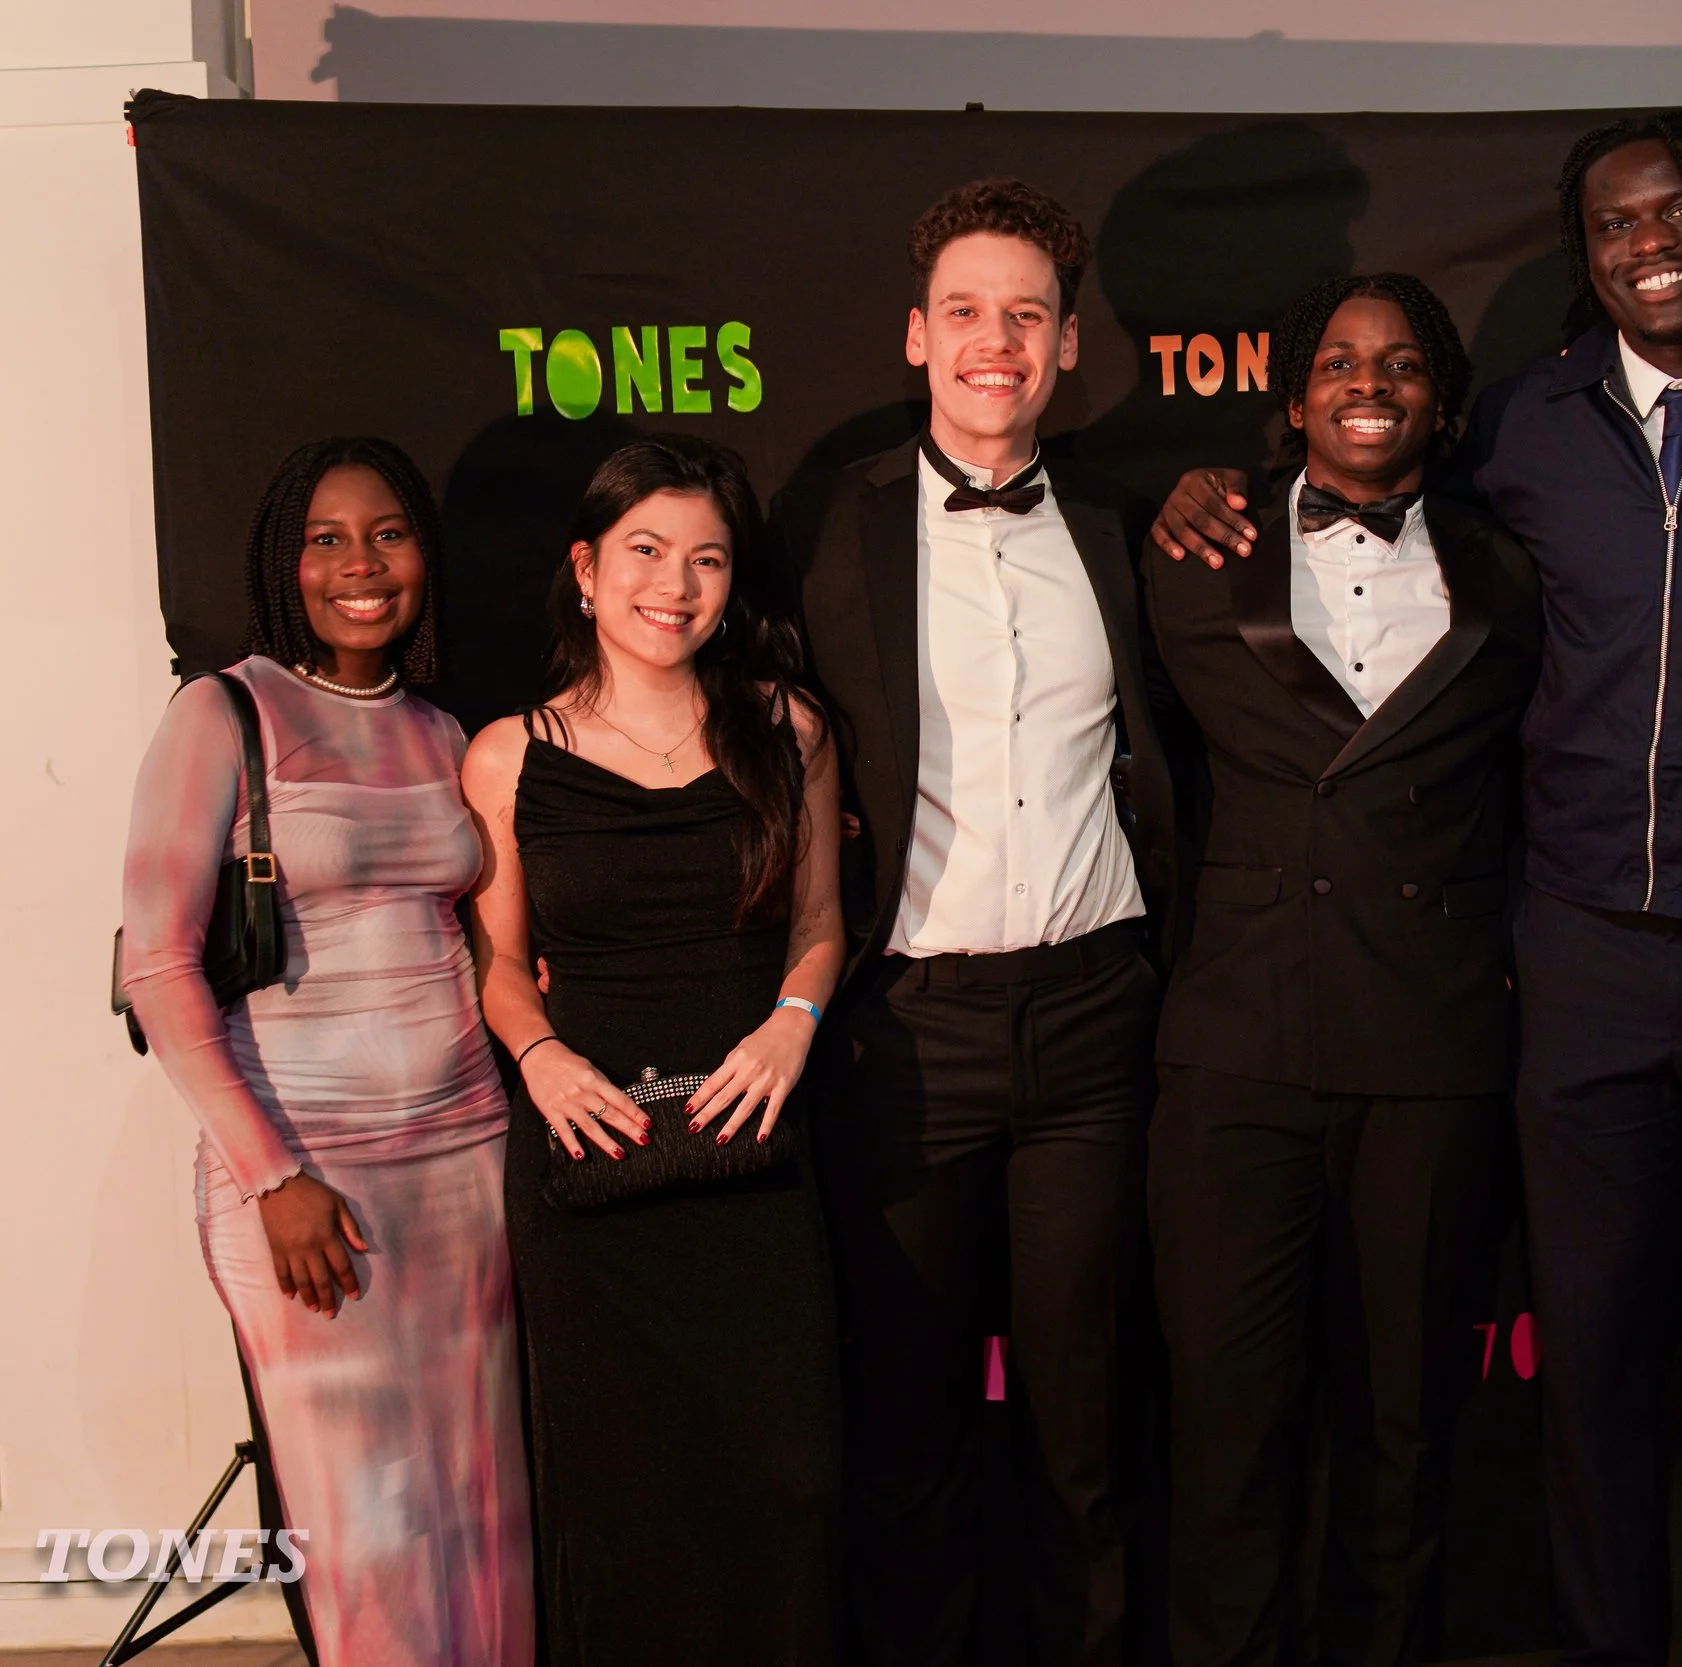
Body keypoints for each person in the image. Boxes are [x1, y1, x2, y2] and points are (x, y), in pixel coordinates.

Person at [1154, 110, 1682, 1666]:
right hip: (1580, 962)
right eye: (1610, 223)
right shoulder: (1525, 428)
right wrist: (1214, 479)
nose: (1644, 242)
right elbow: (1358, 483)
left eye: (1673, 212)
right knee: (1593, 1375)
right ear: (1587, 255)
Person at [793, 178, 1179, 1667]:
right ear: (916, 335)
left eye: (1025, 313)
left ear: (1068, 342)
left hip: (1097, 1023)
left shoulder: (1123, 525)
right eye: (966, 312)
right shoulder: (837, 531)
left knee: (1088, 1425)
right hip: (908, 1033)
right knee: (911, 1424)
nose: (994, 341)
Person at [1145, 273, 1541, 1667]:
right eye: (1339, 360)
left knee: (1407, 1428)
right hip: (1235, 1045)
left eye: (1402, 362)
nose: (1369, 381)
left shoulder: (1510, 570)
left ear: (1440, 397)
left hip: (1430, 1049)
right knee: (1229, 1428)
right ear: (1294, 395)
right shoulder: (1195, 542)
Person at [119, 437, 531, 1666]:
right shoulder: (222, 710)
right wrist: (270, 1177)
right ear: (283, 560)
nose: (362, 564)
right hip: (306, 1177)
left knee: (481, 1501)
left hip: (468, 1162)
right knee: (369, 1523)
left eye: (390, 535)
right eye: (328, 538)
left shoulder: (440, 727)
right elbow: (157, 968)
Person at [463, 433, 844, 1666]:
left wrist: (792, 1025)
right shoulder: (507, 754)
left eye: (706, 559)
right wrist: (541, 1059)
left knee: (782, 1479)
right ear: (584, 569)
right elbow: (502, 965)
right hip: (590, 1153)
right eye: (643, 551)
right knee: (619, 1494)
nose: (672, 584)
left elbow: (821, 922)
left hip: (754, 1147)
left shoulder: (788, 726)